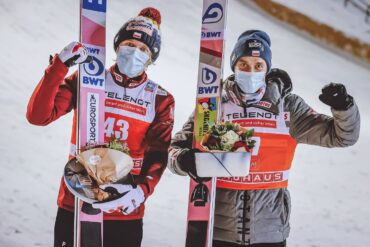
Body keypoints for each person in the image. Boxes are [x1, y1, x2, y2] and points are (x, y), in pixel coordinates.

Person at [168, 30, 360, 247]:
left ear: (267, 69)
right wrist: (184, 160)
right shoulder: (213, 105)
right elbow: (174, 150)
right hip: (218, 230)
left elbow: (343, 137)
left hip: (269, 231)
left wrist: (344, 107)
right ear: (234, 66)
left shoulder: (288, 107)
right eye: (244, 65)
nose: (251, 71)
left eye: (258, 66)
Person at [27, 7, 174, 247]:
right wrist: (59, 65)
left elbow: (158, 154)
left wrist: (141, 192)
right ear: (117, 46)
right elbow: (38, 116)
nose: (134, 52)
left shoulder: (160, 98)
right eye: (129, 44)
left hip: (124, 208)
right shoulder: (88, 80)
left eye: (143, 49)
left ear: (151, 58)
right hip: (76, 199)